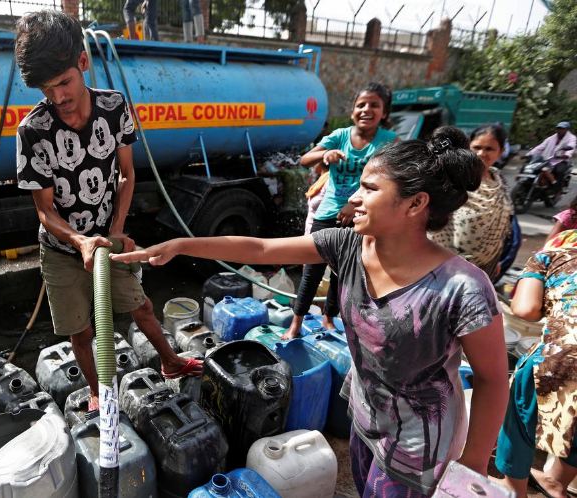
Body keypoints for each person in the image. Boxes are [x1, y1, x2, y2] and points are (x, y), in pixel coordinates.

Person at [113, 127, 509, 496]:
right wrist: (181, 244)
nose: (352, 196)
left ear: (416, 204)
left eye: (369, 188)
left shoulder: (463, 288)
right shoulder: (348, 246)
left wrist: (472, 469)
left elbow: (493, 380)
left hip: (419, 441)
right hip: (365, 413)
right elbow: (260, 250)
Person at [13, 11, 201, 412]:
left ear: (82, 63)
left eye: (64, 82)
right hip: (63, 250)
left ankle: (170, 362)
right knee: (81, 332)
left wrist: (115, 230)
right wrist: (80, 242)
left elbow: (128, 175)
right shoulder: (32, 131)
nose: (58, 98)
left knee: (142, 306)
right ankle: (100, 389)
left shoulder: (113, 108)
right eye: (48, 90)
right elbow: (45, 212)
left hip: (108, 239)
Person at [288, 82, 397, 338]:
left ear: (384, 113)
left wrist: (354, 203)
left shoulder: (389, 142)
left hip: (361, 218)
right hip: (327, 215)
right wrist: (325, 156)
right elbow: (305, 160)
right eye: (361, 105)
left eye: (374, 105)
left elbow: (389, 179)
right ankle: (295, 324)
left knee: (345, 275)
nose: (366, 109)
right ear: (352, 112)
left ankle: (329, 318)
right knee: (311, 272)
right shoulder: (339, 136)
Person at [496, 230, 577, 498]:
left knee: (520, 417)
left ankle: (514, 488)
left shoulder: (547, 256)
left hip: (561, 354)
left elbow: (525, 309)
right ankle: (556, 482)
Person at [430, 124, 513, 281]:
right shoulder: (455, 177)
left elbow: (503, 224)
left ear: (501, 152)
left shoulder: (500, 180)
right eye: (477, 147)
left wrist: (496, 258)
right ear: (468, 147)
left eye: (489, 149)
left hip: (487, 262)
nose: (482, 153)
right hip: (446, 263)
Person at [528, 121, 576, 187]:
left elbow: (571, 146)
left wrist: (567, 154)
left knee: (559, 171)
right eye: (558, 128)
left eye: (562, 129)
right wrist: (529, 154)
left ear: (567, 129)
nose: (560, 130)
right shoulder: (551, 138)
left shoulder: (572, 138)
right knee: (535, 168)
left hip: (561, 160)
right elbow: (541, 147)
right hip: (548, 159)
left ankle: (556, 187)